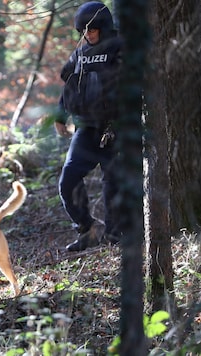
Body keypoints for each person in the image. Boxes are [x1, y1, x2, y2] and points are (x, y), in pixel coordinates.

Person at [55, 1, 122, 251]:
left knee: (113, 184)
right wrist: (60, 115)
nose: (88, 34)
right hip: (86, 128)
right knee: (68, 180)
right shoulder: (80, 54)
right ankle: (87, 229)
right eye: (84, 30)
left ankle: (116, 237)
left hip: (116, 128)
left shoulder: (120, 48)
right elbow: (68, 84)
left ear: (104, 27)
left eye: (92, 29)